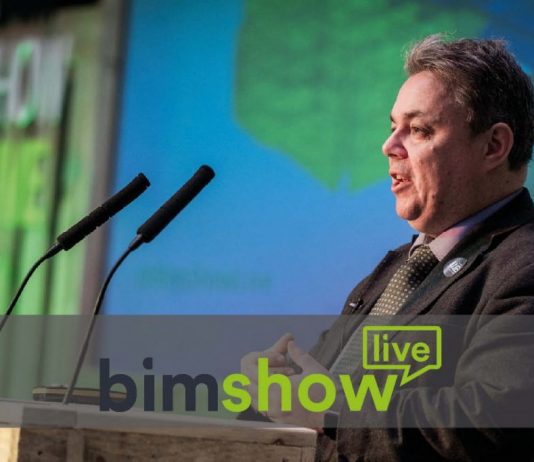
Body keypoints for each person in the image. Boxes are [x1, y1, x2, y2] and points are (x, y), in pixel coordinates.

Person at [240, 34, 534, 461]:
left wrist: (335, 408)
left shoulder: (522, 265)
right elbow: (320, 406)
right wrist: (272, 396)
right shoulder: (401, 268)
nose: (389, 146)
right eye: (392, 127)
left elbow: (495, 420)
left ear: (493, 146)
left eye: (418, 130)